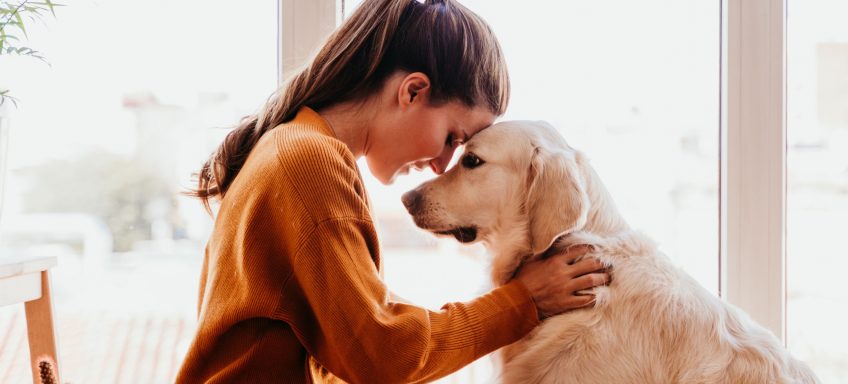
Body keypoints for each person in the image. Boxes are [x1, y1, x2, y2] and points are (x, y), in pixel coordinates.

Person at [176, 0, 609, 382]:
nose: (442, 165)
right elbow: (381, 353)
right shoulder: (308, 163)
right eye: (452, 139)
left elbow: (346, 346)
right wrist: (523, 300)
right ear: (412, 91)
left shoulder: (291, 146)